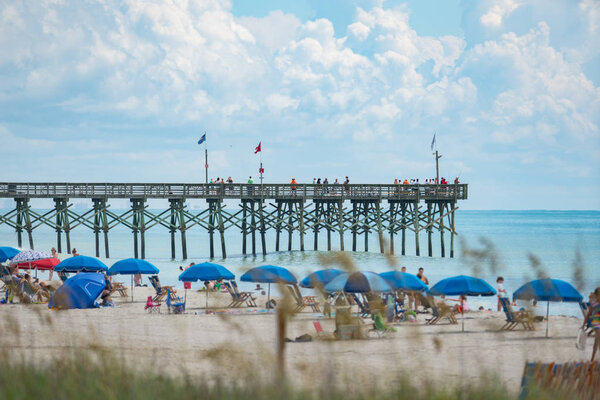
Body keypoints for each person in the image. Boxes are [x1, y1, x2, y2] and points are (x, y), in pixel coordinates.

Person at [582, 287, 600, 362]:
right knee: (598, 336)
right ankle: (592, 360)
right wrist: (583, 324)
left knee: (597, 341)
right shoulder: (593, 303)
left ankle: (592, 359)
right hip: (596, 322)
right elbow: (589, 314)